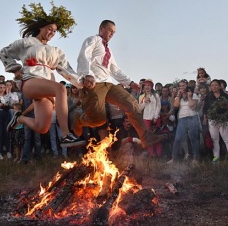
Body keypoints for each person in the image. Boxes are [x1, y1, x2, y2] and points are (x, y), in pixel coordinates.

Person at [0, 2, 84, 148]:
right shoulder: (27, 42)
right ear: (41, 27)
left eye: (55, 31)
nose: (52, 32)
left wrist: (81, 83)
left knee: (42, 127)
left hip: (46, 87)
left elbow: (66, 70)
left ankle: (19, 119)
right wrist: (15, 69)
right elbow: (3, 53)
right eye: (49, 28)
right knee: (61, 89)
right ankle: (65, 135)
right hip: (31, 81)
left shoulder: (55, 51)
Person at [74, 20, 166, 148]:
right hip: (95, 82)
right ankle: (79, 119)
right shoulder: (93, 40)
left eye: (114, 32)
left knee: (131, 103)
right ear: (101, 29)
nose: (112, 34)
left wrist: (130, 82)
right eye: (110, 30)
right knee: (99, 119)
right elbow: (84, 56)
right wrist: (86, 74)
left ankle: (146, 137)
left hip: (109, 84)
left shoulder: (108, 50)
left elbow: (114, 69)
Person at [166, 79, 200, 164]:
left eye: (183, 86)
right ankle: (174, 158)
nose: (182, 87)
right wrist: (178, 95)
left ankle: (195, 158)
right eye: (180, 86)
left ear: (187, 86)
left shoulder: (194, 95)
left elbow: (193, 106)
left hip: (192, 117)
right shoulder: (179, 96)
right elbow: (176, 106)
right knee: (177, 139)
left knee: (194, 139)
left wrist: (189, 96)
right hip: (182, 119)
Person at [203, 80, 228, 163]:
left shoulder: (225, 96)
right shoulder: (209, 96)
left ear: (220, 86)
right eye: (212, 85)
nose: (214, 87)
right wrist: (205, 118)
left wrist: (224, 113)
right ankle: (216, 157)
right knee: (215, 139)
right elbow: (205, 108)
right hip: (212, 121)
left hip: (223, 120)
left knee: (227, 139)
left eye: (216, 85)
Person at [139, 79, 162, 157]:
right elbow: (139, 109)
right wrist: (145, 102)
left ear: (152, 87)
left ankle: (159, 153)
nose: (147, 87)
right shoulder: (141, 97)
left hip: (155, 118)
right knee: (148, 137)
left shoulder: (156, 96)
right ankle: (151, 153)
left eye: (149, 85)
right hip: (146, 118)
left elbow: (158, 106)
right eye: (145, 85)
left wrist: (155, 117)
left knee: (157, 136)